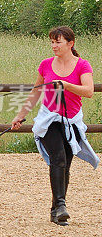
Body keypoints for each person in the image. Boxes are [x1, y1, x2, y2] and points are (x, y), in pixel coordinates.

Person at [11, 26, 98, 226]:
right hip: (49, 119)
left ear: (70, 43)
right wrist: (20, 115)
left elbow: (88, 91)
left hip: (72, 120)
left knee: (66, 163)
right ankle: (61, 206)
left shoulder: (83, 66)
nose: (53, 46)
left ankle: (55, 210)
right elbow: (36, 92)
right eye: (51, 42)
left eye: (57, 42)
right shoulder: (45, 65)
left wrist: (66, 85)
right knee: (57, 158)